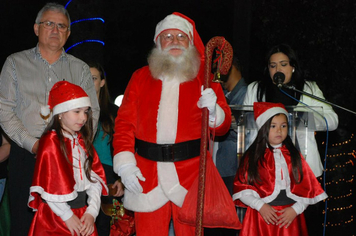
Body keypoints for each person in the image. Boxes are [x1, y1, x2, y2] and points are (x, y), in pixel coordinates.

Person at [113, 12, 241, 236]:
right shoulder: (140, 77)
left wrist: (215, 112)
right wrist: (125, 165)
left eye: (181, 36)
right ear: (158, 43)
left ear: (190, 43)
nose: (174, 41)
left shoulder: (204, 78)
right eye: (168, 36)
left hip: (191, 178)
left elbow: (222, 127)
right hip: (146, 175)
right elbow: (124, 124)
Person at [0, 3, 99, 235]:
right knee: (25, 226)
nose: (55, 30)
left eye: (62, 26)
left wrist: (77, 149)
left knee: (69, 225)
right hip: (27, 156)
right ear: (36, 29)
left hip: (69, 159)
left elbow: (92, 111)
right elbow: (4, 110)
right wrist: (35, 145)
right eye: (49, 24)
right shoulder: (15, 63)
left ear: (68, 33)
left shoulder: (81, 69)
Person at [243, 44, 338, 177]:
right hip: (264, 165)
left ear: (293, 67)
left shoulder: (308, 89)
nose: (278, 69)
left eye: (283, 64)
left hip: (302, 166)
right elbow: (244, 124)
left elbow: (333, 120)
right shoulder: (254, 89)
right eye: (273, 65)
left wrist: (307, 119)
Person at [233, 102, 328, 236]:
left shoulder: (294, 155)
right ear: (263, 128)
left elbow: (307, 189)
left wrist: (295, 209)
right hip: (261, 217)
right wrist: (260, 206)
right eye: (273, 126)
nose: (279, 130)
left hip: (289, 219)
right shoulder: (253, 158)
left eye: (283, 126)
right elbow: (243, 189)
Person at [28, 81, 108, 236]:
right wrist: (67, 215)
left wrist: (91, 213)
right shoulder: (51, 142)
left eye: (85, 112)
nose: (83, 118)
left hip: (82, 216)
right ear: (60, 114)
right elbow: (49, 185)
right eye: (77, 111)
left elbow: (94, 180)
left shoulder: (83, 142)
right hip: (55, 217)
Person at [88, 62, 124, 235]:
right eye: (86, 77)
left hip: (108, 174)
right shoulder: (76, 110)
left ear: (102, 82)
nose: (89, 81)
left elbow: (124, 147)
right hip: (83, 173)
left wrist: (121, 178)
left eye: (94, 78)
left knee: (104, 225)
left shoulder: (114, 112)